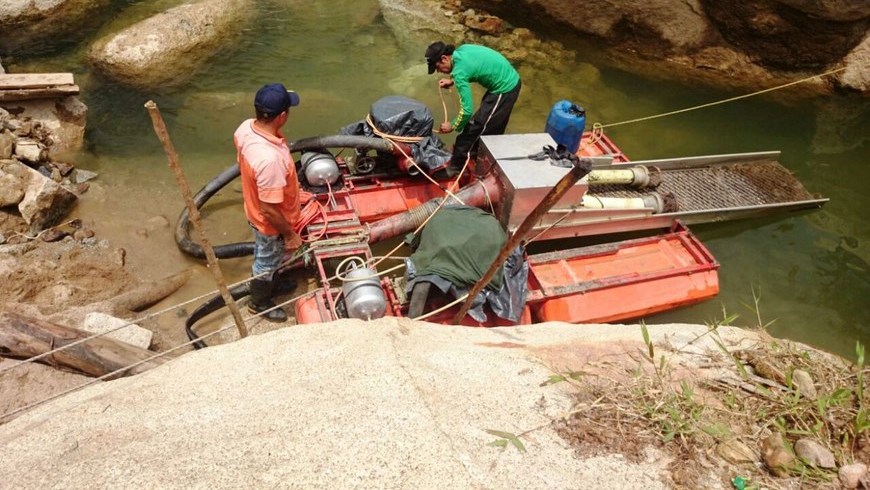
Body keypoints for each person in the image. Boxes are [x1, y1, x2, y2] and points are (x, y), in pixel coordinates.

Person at [233, 83, 303, 322]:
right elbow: (269, 209)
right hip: (270, 224)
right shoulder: (269, 160)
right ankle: (259, 302)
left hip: (253, 208)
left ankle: (275, 282)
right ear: (282, 116)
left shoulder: (245, 128)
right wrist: (290, 234)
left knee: (271, 257)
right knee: (266, 262)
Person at [425, 41, 521, 176]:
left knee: (472, 130)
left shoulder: (459, 73)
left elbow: (467, 111)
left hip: (504, 88)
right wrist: (452, 81)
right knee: (492, 127)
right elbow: (472, 66)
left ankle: (455, 168)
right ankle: (479, 157)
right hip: (507, 79)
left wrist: (452, 126)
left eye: (437, 67)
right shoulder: (462, 50)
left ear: (444, 58)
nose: (439, 71)